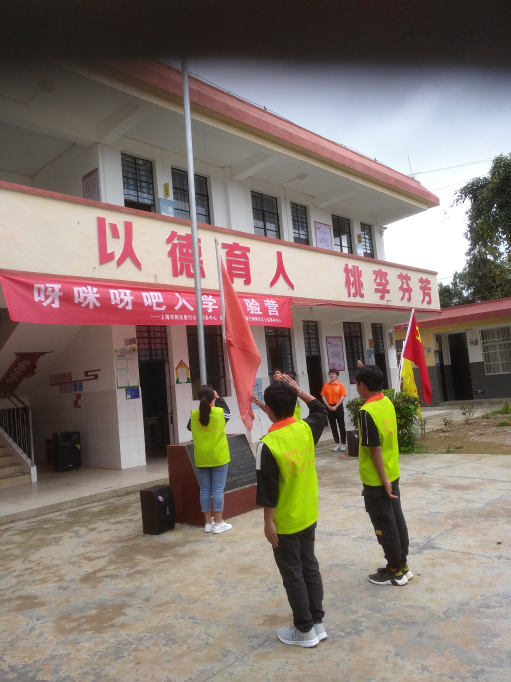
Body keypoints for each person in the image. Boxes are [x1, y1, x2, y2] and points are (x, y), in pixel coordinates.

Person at [256, 374, 328, 647]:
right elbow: (320, 409)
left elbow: (267, 491)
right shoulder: (305, 429)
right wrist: (299, 390)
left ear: (269, 409)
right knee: (309, 566)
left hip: (285, 522)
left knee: (293, 574)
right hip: (308, 513)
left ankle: (304, 630)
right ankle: (317, 623)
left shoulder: (268, 444)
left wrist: (268, 523)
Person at [354, 364, 411, 586]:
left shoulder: (366, 412)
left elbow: (374, 448)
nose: (356, 387)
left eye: (357, 383)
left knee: (384, 523)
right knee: (396, 518)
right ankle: (402, 564)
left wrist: (383, 480)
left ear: (362, 385)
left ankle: (394, 570)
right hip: (392, 472)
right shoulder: (386, 401)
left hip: (378, 480)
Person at [187, 385, 233, 534]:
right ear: (213, 396)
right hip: (219, 456)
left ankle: (208, 523)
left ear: (198, 398)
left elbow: (189, 427)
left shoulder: (193, 414)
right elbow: (228, 413)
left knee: (205, 489)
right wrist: (218, 399)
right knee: (218, 490)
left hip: (201, 457)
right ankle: (219, 524)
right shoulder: (220, 413)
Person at [320, 368, 347, 454]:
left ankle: (343, 443)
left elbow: (343, 396)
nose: (331, 375)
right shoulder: (326, 386)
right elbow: (323, 396)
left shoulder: (340, 385)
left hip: (338, 407)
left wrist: (336, 406)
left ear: (337, 376)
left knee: (341, 425)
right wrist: (328, 406)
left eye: (333, 374)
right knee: (333, 426)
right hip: (329, 407)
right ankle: (337, 444)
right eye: (330, 374)